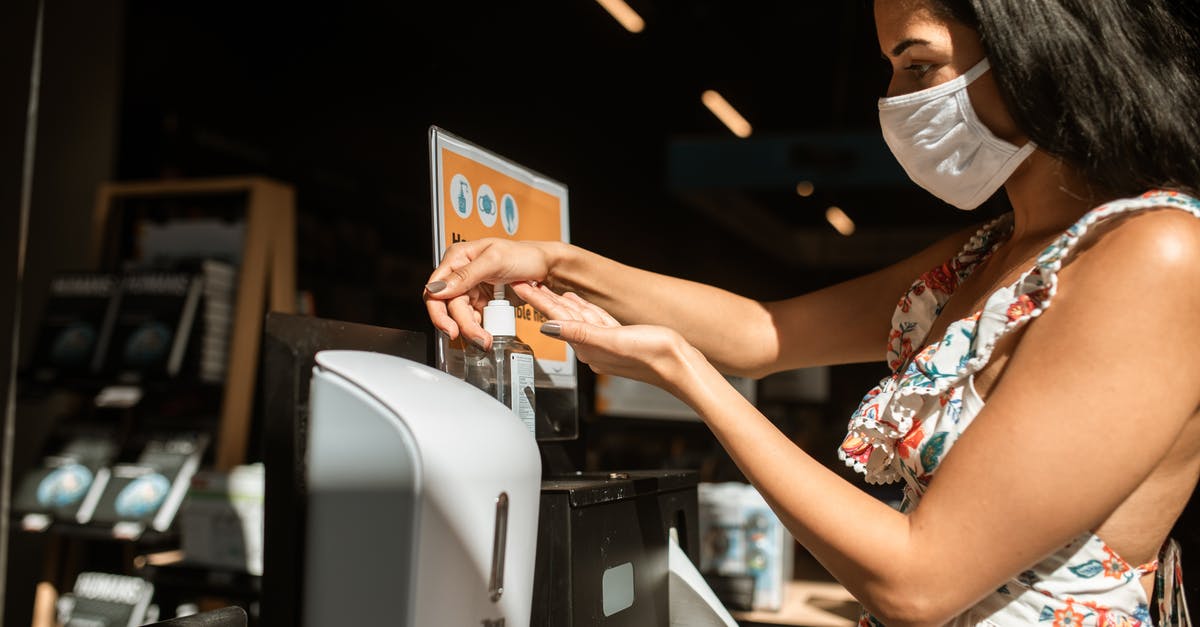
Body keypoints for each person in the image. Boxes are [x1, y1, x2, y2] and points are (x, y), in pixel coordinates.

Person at [424, 0, 1200, 624]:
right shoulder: (989, 253)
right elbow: (767, 331)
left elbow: (920, 582)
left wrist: (689, 380)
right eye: (895, 73)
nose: (900, 103)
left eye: (920, 64)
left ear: (1039, 41)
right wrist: (559, 262)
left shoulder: (1155, 255)